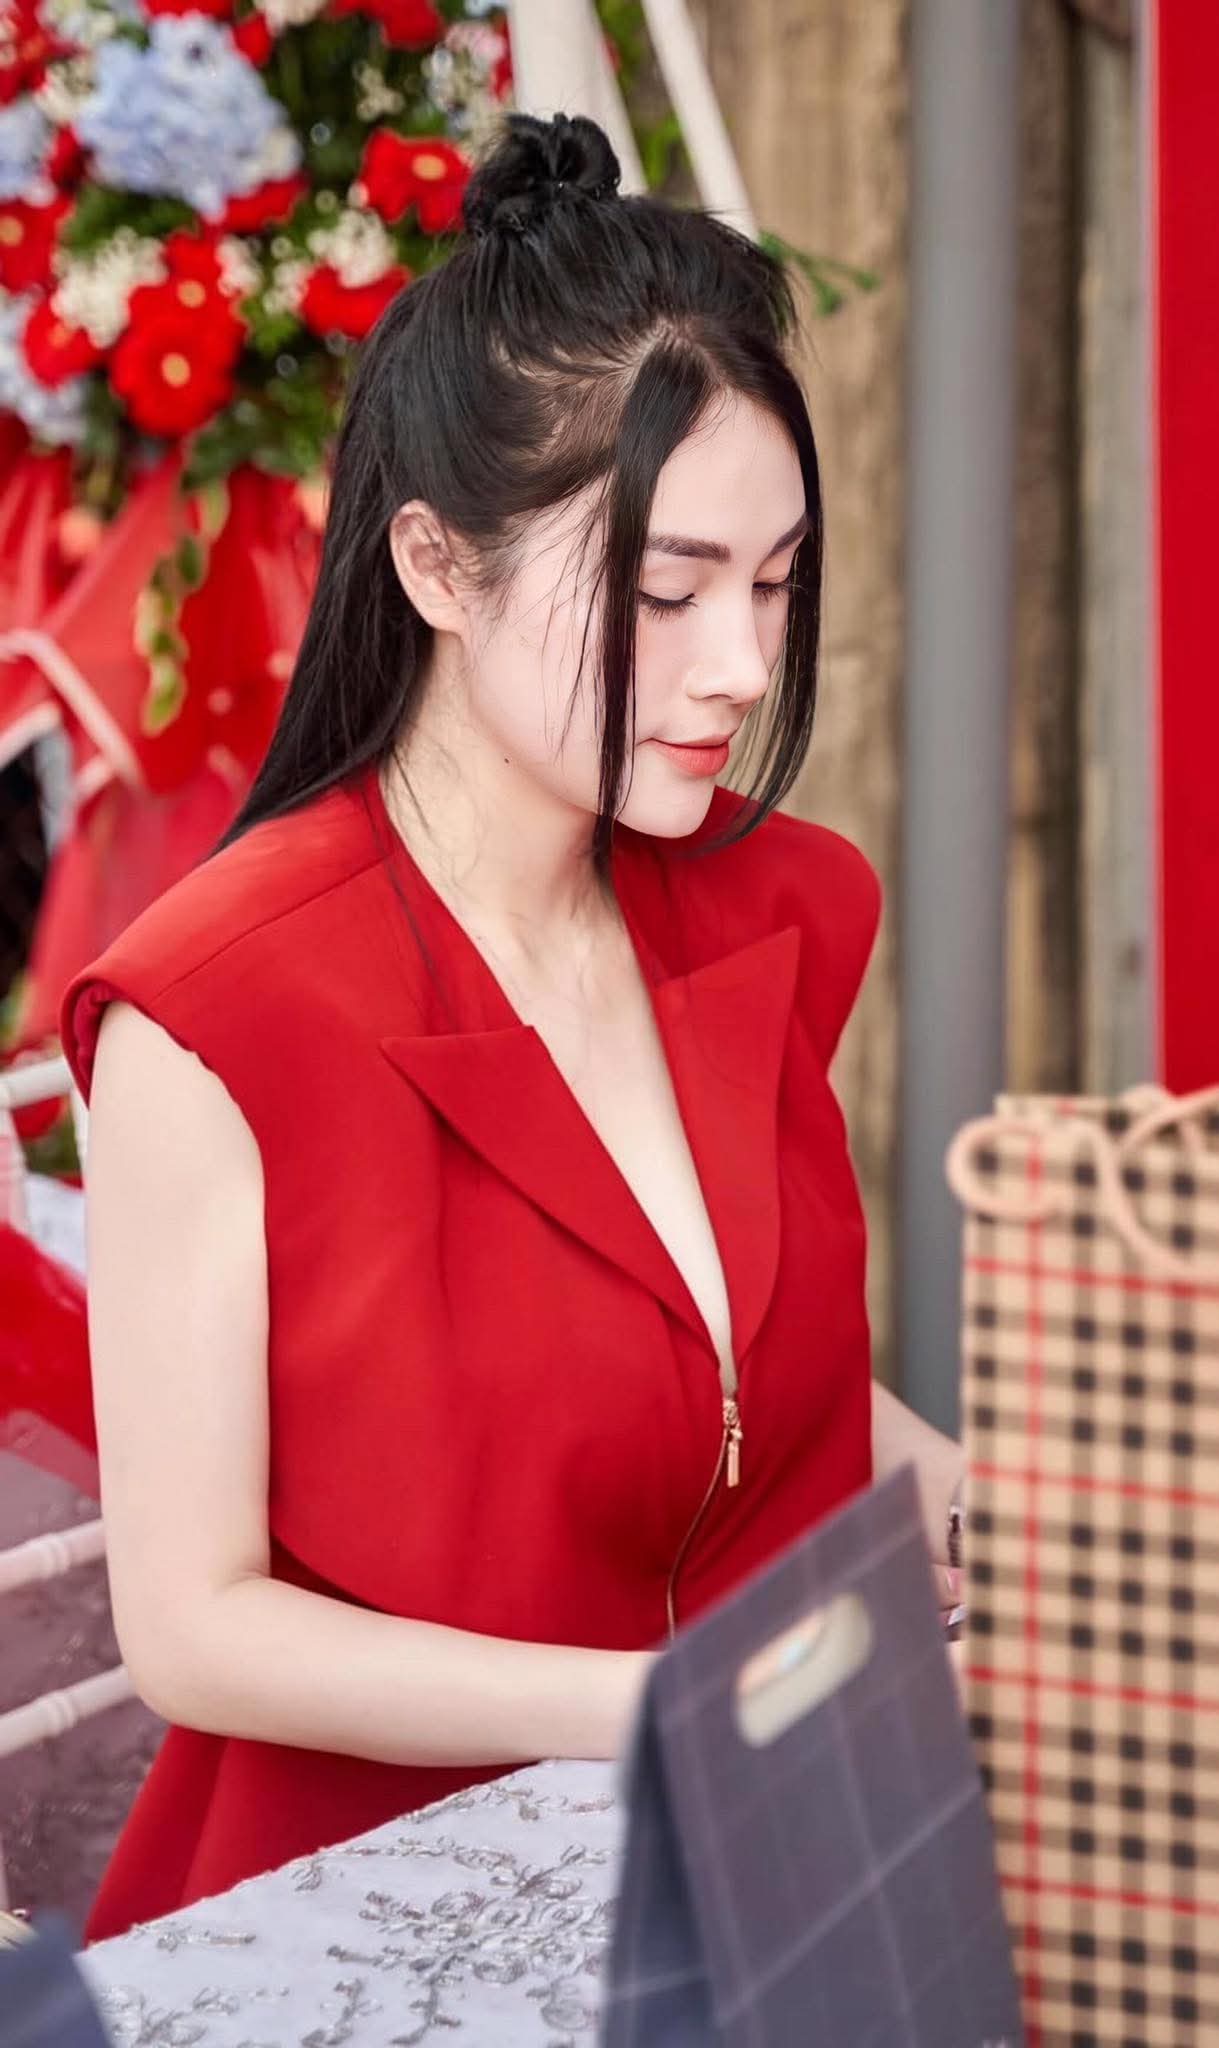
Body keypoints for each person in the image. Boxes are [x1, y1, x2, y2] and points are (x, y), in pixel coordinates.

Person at [60, 111, 963, 1943]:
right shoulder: (217, 1015)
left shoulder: (776, 907)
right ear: (438, 567)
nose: (741, 665)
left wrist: (1015, 1520)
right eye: (665, 591)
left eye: (776, 583)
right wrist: (665, 1711)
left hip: (766, 1852)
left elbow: (732, 1380)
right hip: (369, 1910)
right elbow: (194, 1626)